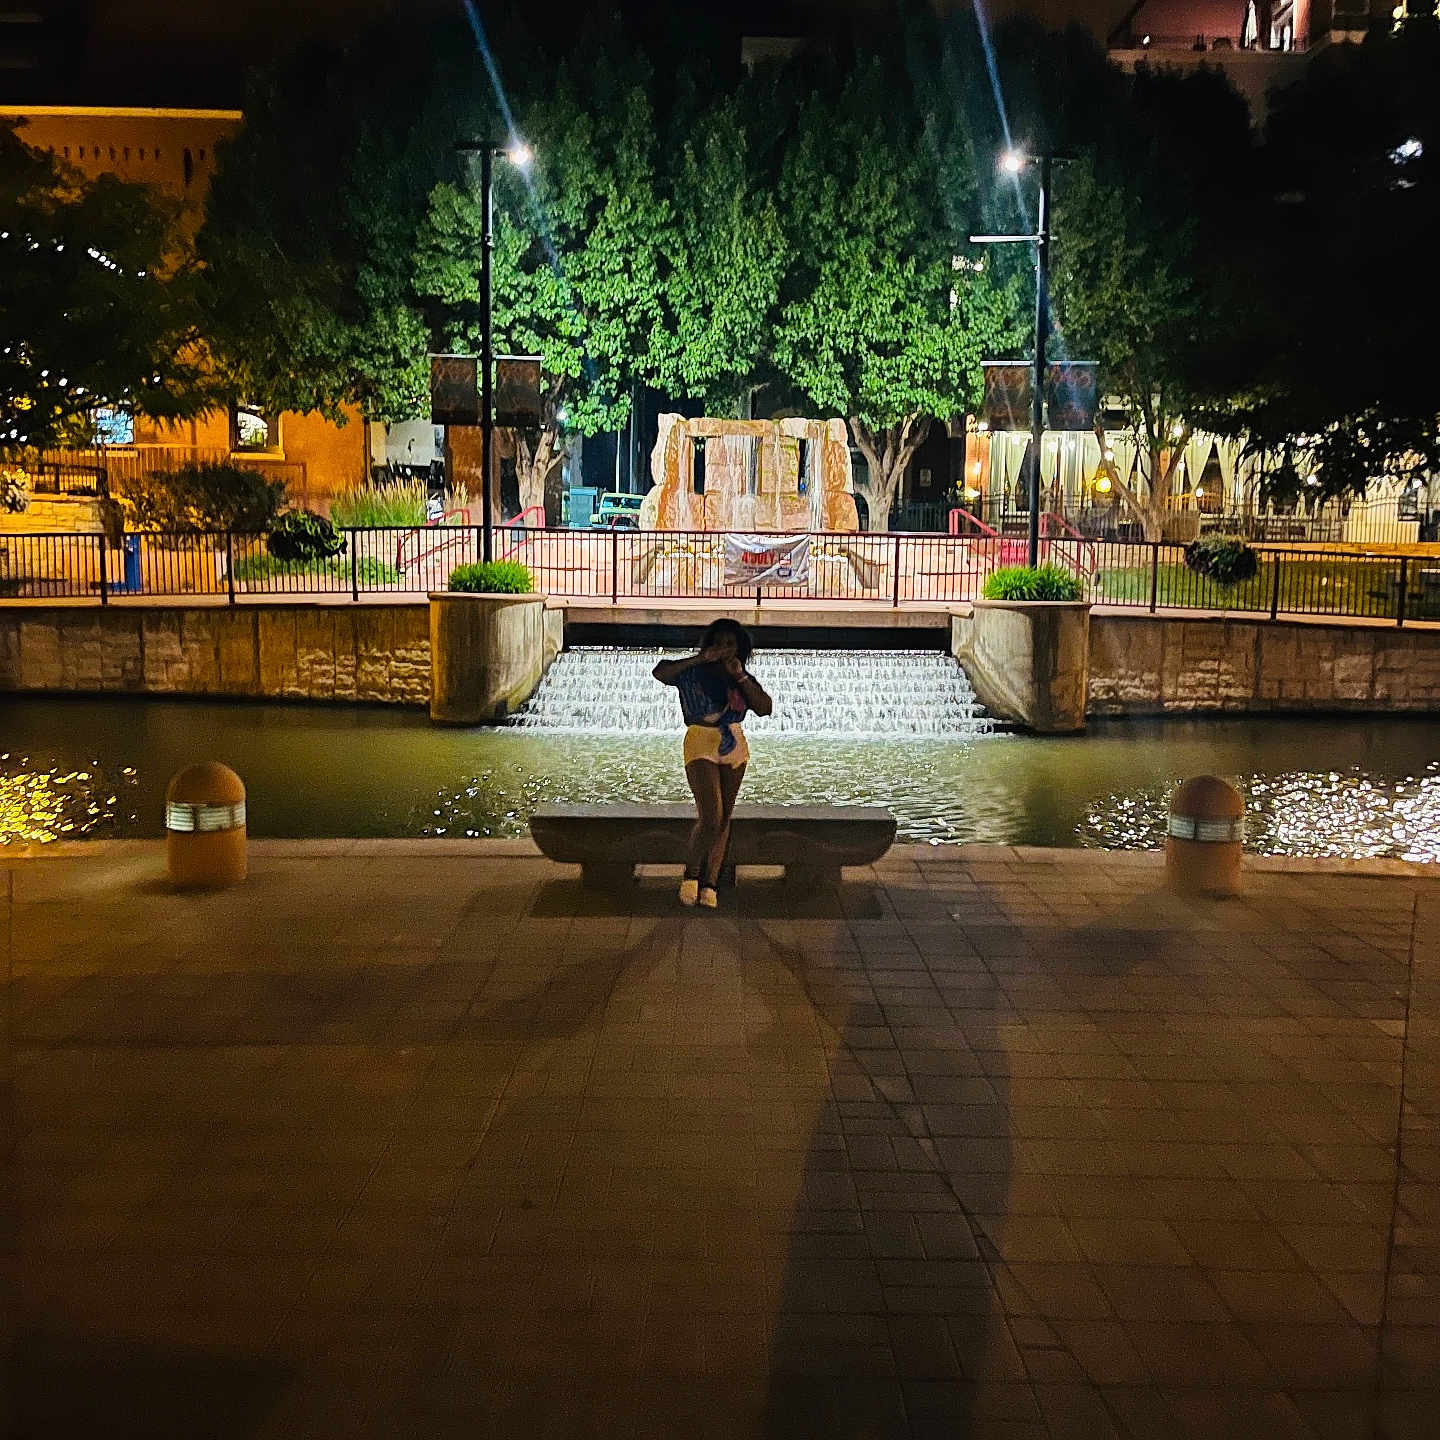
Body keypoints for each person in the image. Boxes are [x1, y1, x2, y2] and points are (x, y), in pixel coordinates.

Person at [652, 619, 773, 909]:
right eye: (718, 643)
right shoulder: (692, 672)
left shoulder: (741, 677)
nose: (723, 649)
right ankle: (691, 875)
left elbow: (765, 707)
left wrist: (741, 677)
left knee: (724, 818)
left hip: (733, 743)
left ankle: (711, 884)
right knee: (711, 815)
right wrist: (699, 658)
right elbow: (661, 672)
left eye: (730, 644)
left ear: (739, 649)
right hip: (700, 740)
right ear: (709, 645)